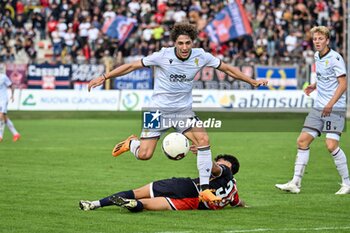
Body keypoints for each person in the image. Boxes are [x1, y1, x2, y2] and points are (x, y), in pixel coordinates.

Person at [88, 22, 268, 203]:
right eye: (180, 43)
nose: (184, 47)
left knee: (203, 140)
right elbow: (131, 66)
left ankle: (205, 189)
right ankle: (132, 143)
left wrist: (251, 81)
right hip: (157, 110)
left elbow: (227, 69)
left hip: (183, 111)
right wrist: (104, 77)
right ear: (174, 43)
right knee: (144, 154)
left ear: (193, 42)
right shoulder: (162, 55)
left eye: (188, 43)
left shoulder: (201, 56)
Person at [275, 26, 350, 195]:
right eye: (315, 39)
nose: (317, 41)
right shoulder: (317, 56)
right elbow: (324, 77)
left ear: (327, 40)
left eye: (320, 39)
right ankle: (295, 183)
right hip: (319, 107)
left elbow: (343, 84)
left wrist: (330, 104)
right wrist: (314, 86)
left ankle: (347, 183)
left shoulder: (336, 58)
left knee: (331, 145)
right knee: (302, 141)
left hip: (334, 107)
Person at [79, 154, 246, 212]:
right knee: (143, 204)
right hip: (190, 203)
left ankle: (94, 204)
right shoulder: (233, 190)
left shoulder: (225, 170)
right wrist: (243, 206)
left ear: (229, 166)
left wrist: (203, 154)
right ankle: (132, 205)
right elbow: (238, 202)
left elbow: (214, 167)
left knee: (137, 192)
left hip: (186, 186)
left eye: (221, 161)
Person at [0, 67, 21, 142]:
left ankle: (0, 136)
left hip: (3, 100)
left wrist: (12, 95)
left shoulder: (3, 77)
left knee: (1, 116)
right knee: (5, 118)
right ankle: (16, 134)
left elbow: (12, 85)